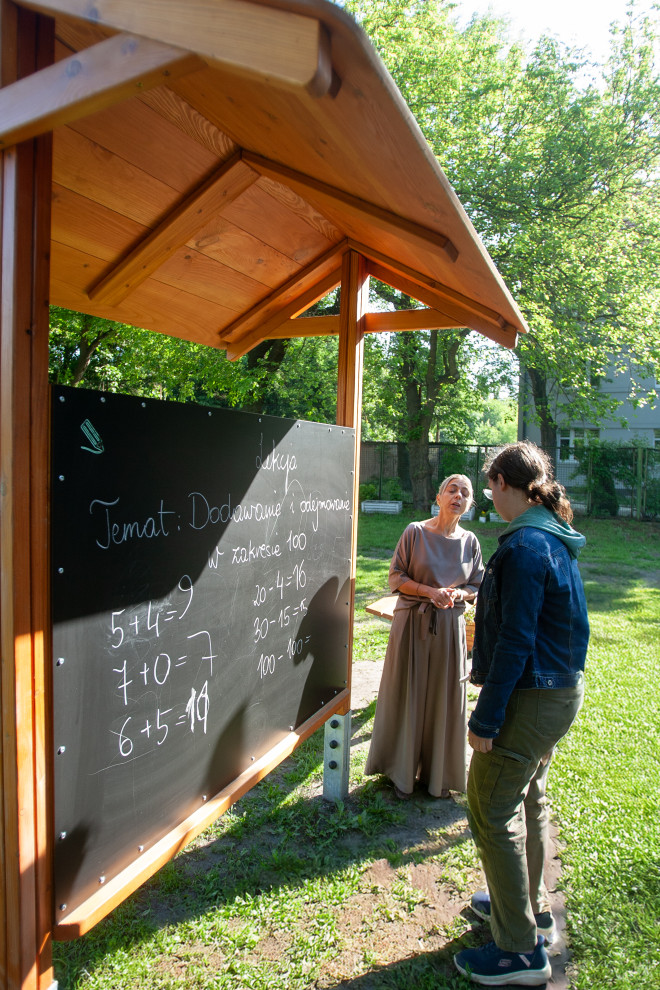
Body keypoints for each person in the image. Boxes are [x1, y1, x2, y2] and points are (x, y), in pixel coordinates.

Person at [453, 442, 589, 987]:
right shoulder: (551, 534)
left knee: (490, 805)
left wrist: (485, 719)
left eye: (491, 487)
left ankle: (518, 951)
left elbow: (517, 640)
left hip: (532, 698)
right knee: (528, 795)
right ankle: (525, 908)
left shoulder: (528, 545)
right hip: (556, 694)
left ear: (505, 484)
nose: (490, 497)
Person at [365, 474, 484, 799]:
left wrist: (456, 594)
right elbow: (396, 576)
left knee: (444, 698)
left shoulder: (470, 542)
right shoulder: (415, 532)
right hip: (412, 625)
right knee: (408, 692)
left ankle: (437, 776)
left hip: (449, 628)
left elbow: (476, 585)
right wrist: (430, 592)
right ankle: (400, 773)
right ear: (439, 497)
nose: (458, 496)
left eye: (465, 493)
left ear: (469, 504)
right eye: (452, 490)